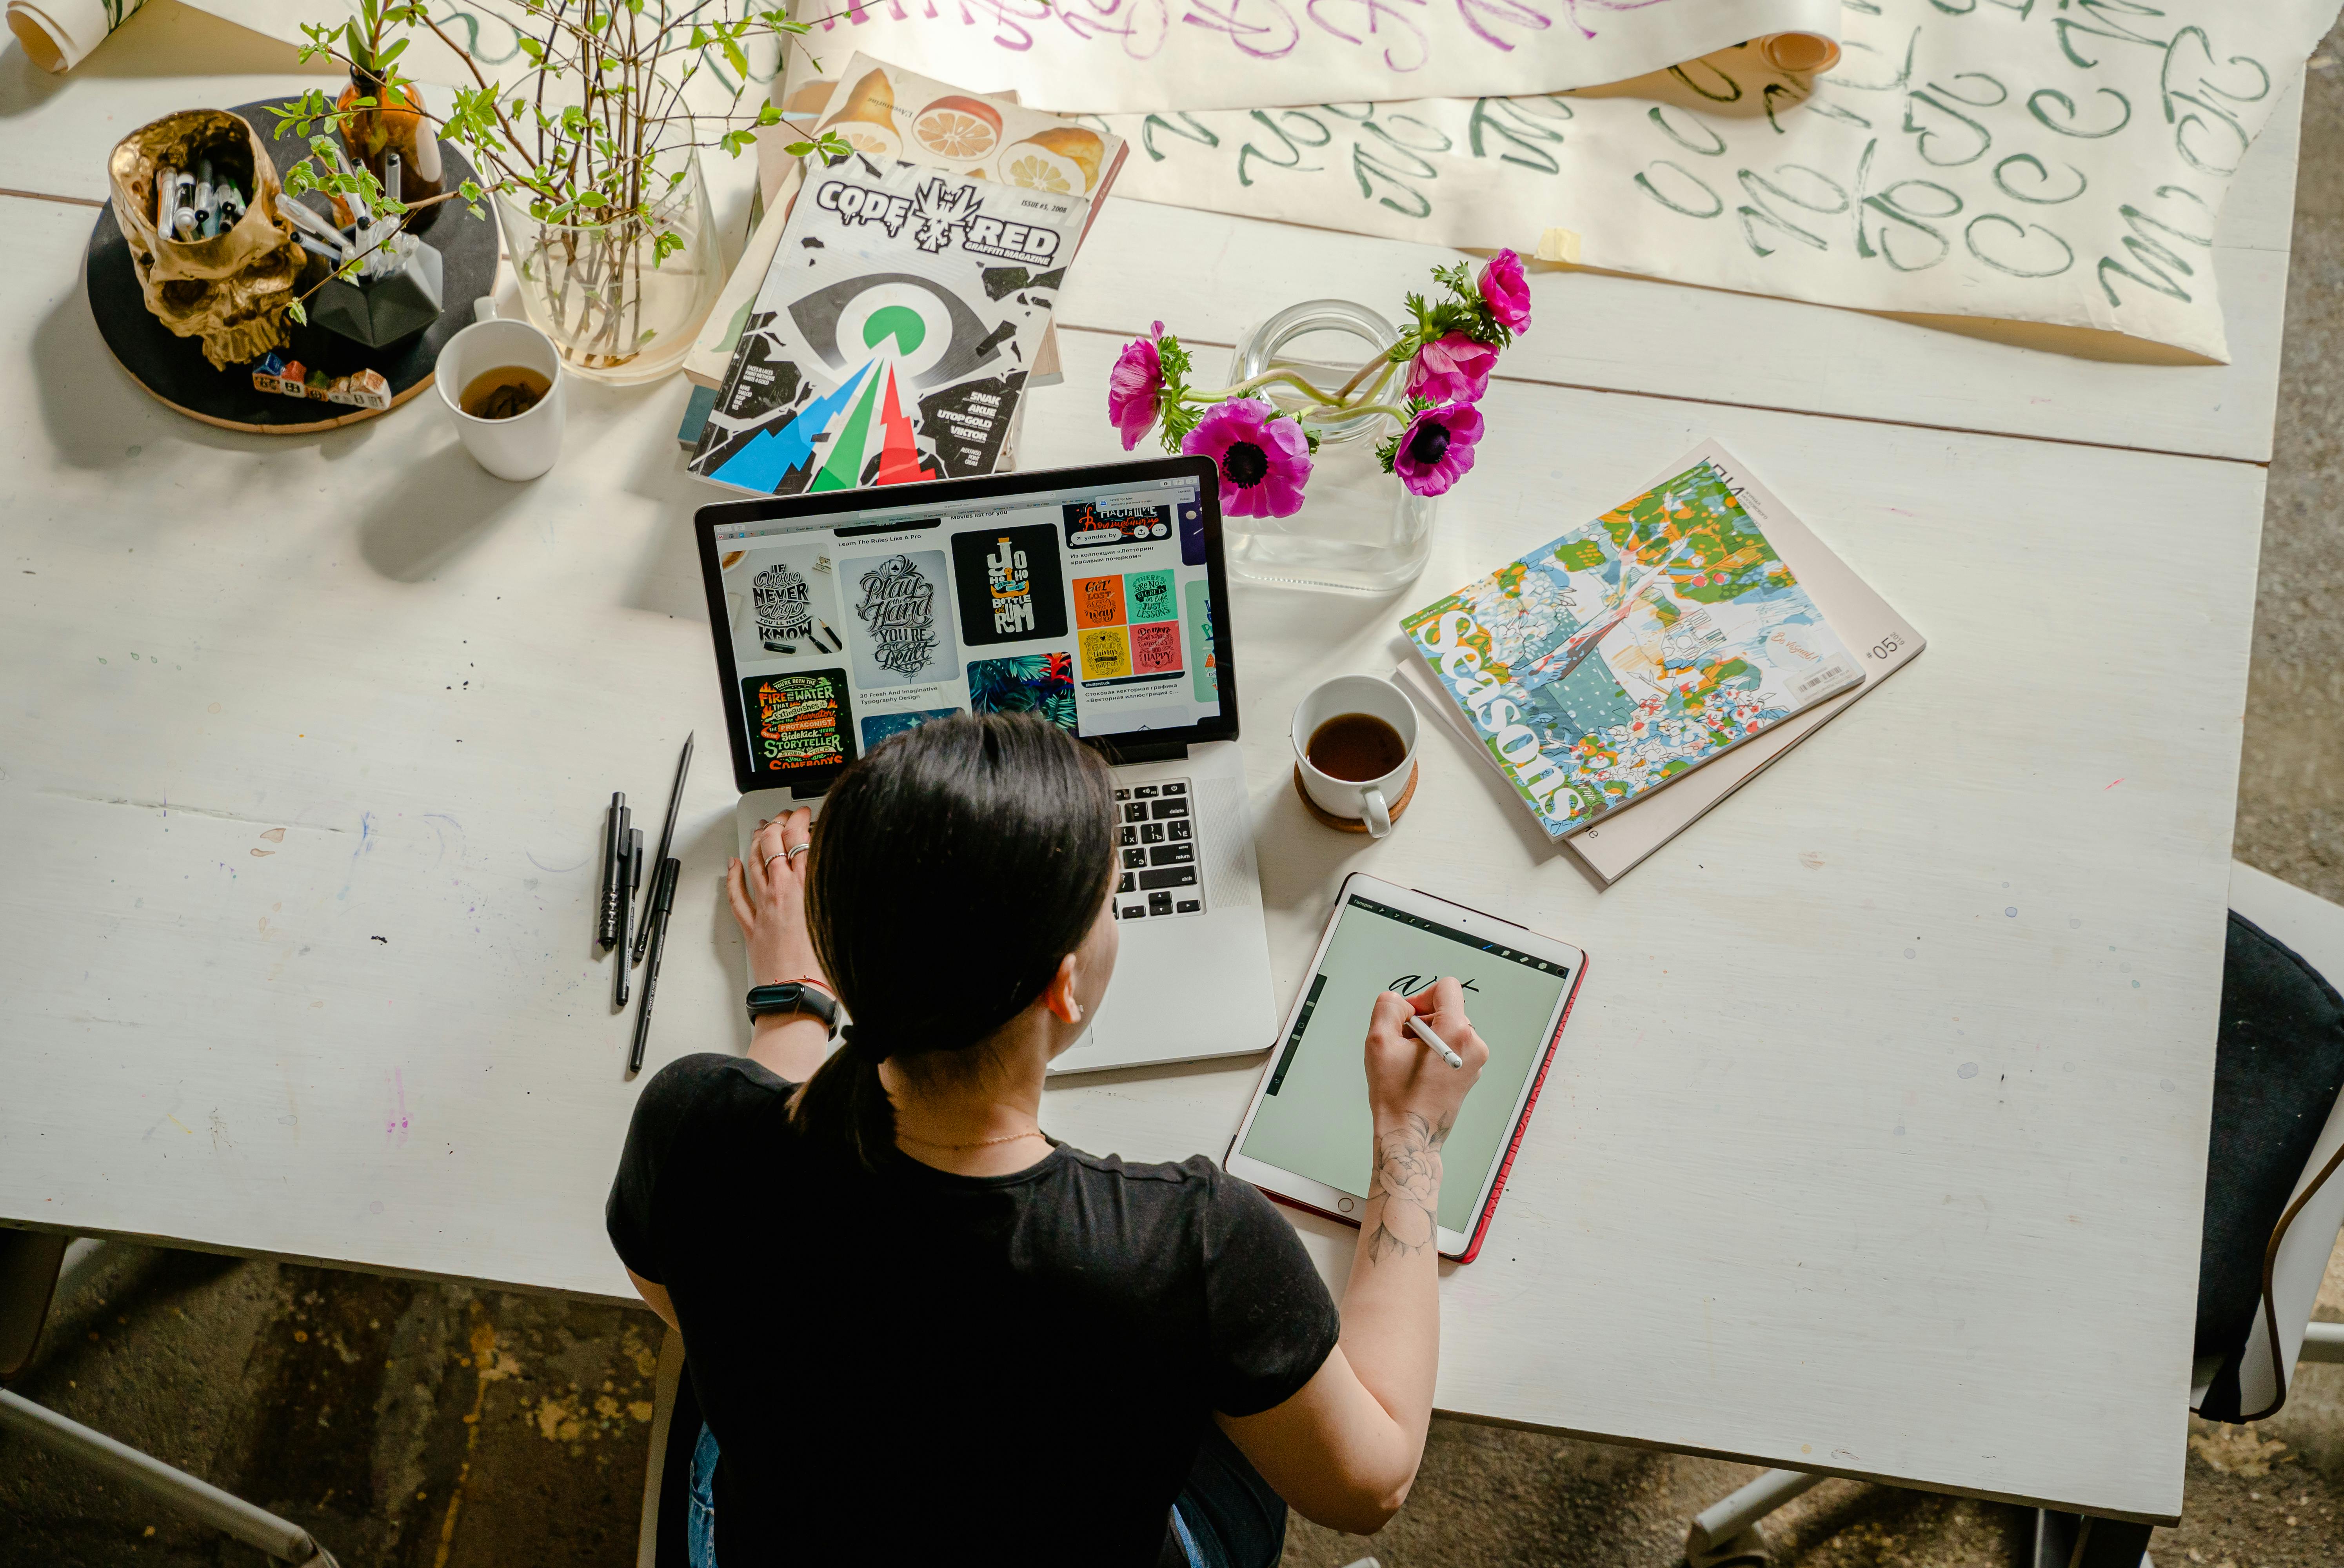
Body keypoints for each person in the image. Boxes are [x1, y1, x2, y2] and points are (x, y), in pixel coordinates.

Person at [607, 713, 1489, 1567]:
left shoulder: (691, 1121)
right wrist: (1410, 1135)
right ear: (1064, 986)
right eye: (1111, 900)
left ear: (842, 950)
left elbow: (678, 1290)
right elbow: (1368, 1487)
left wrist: (791, 997)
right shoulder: (1186, 1245)